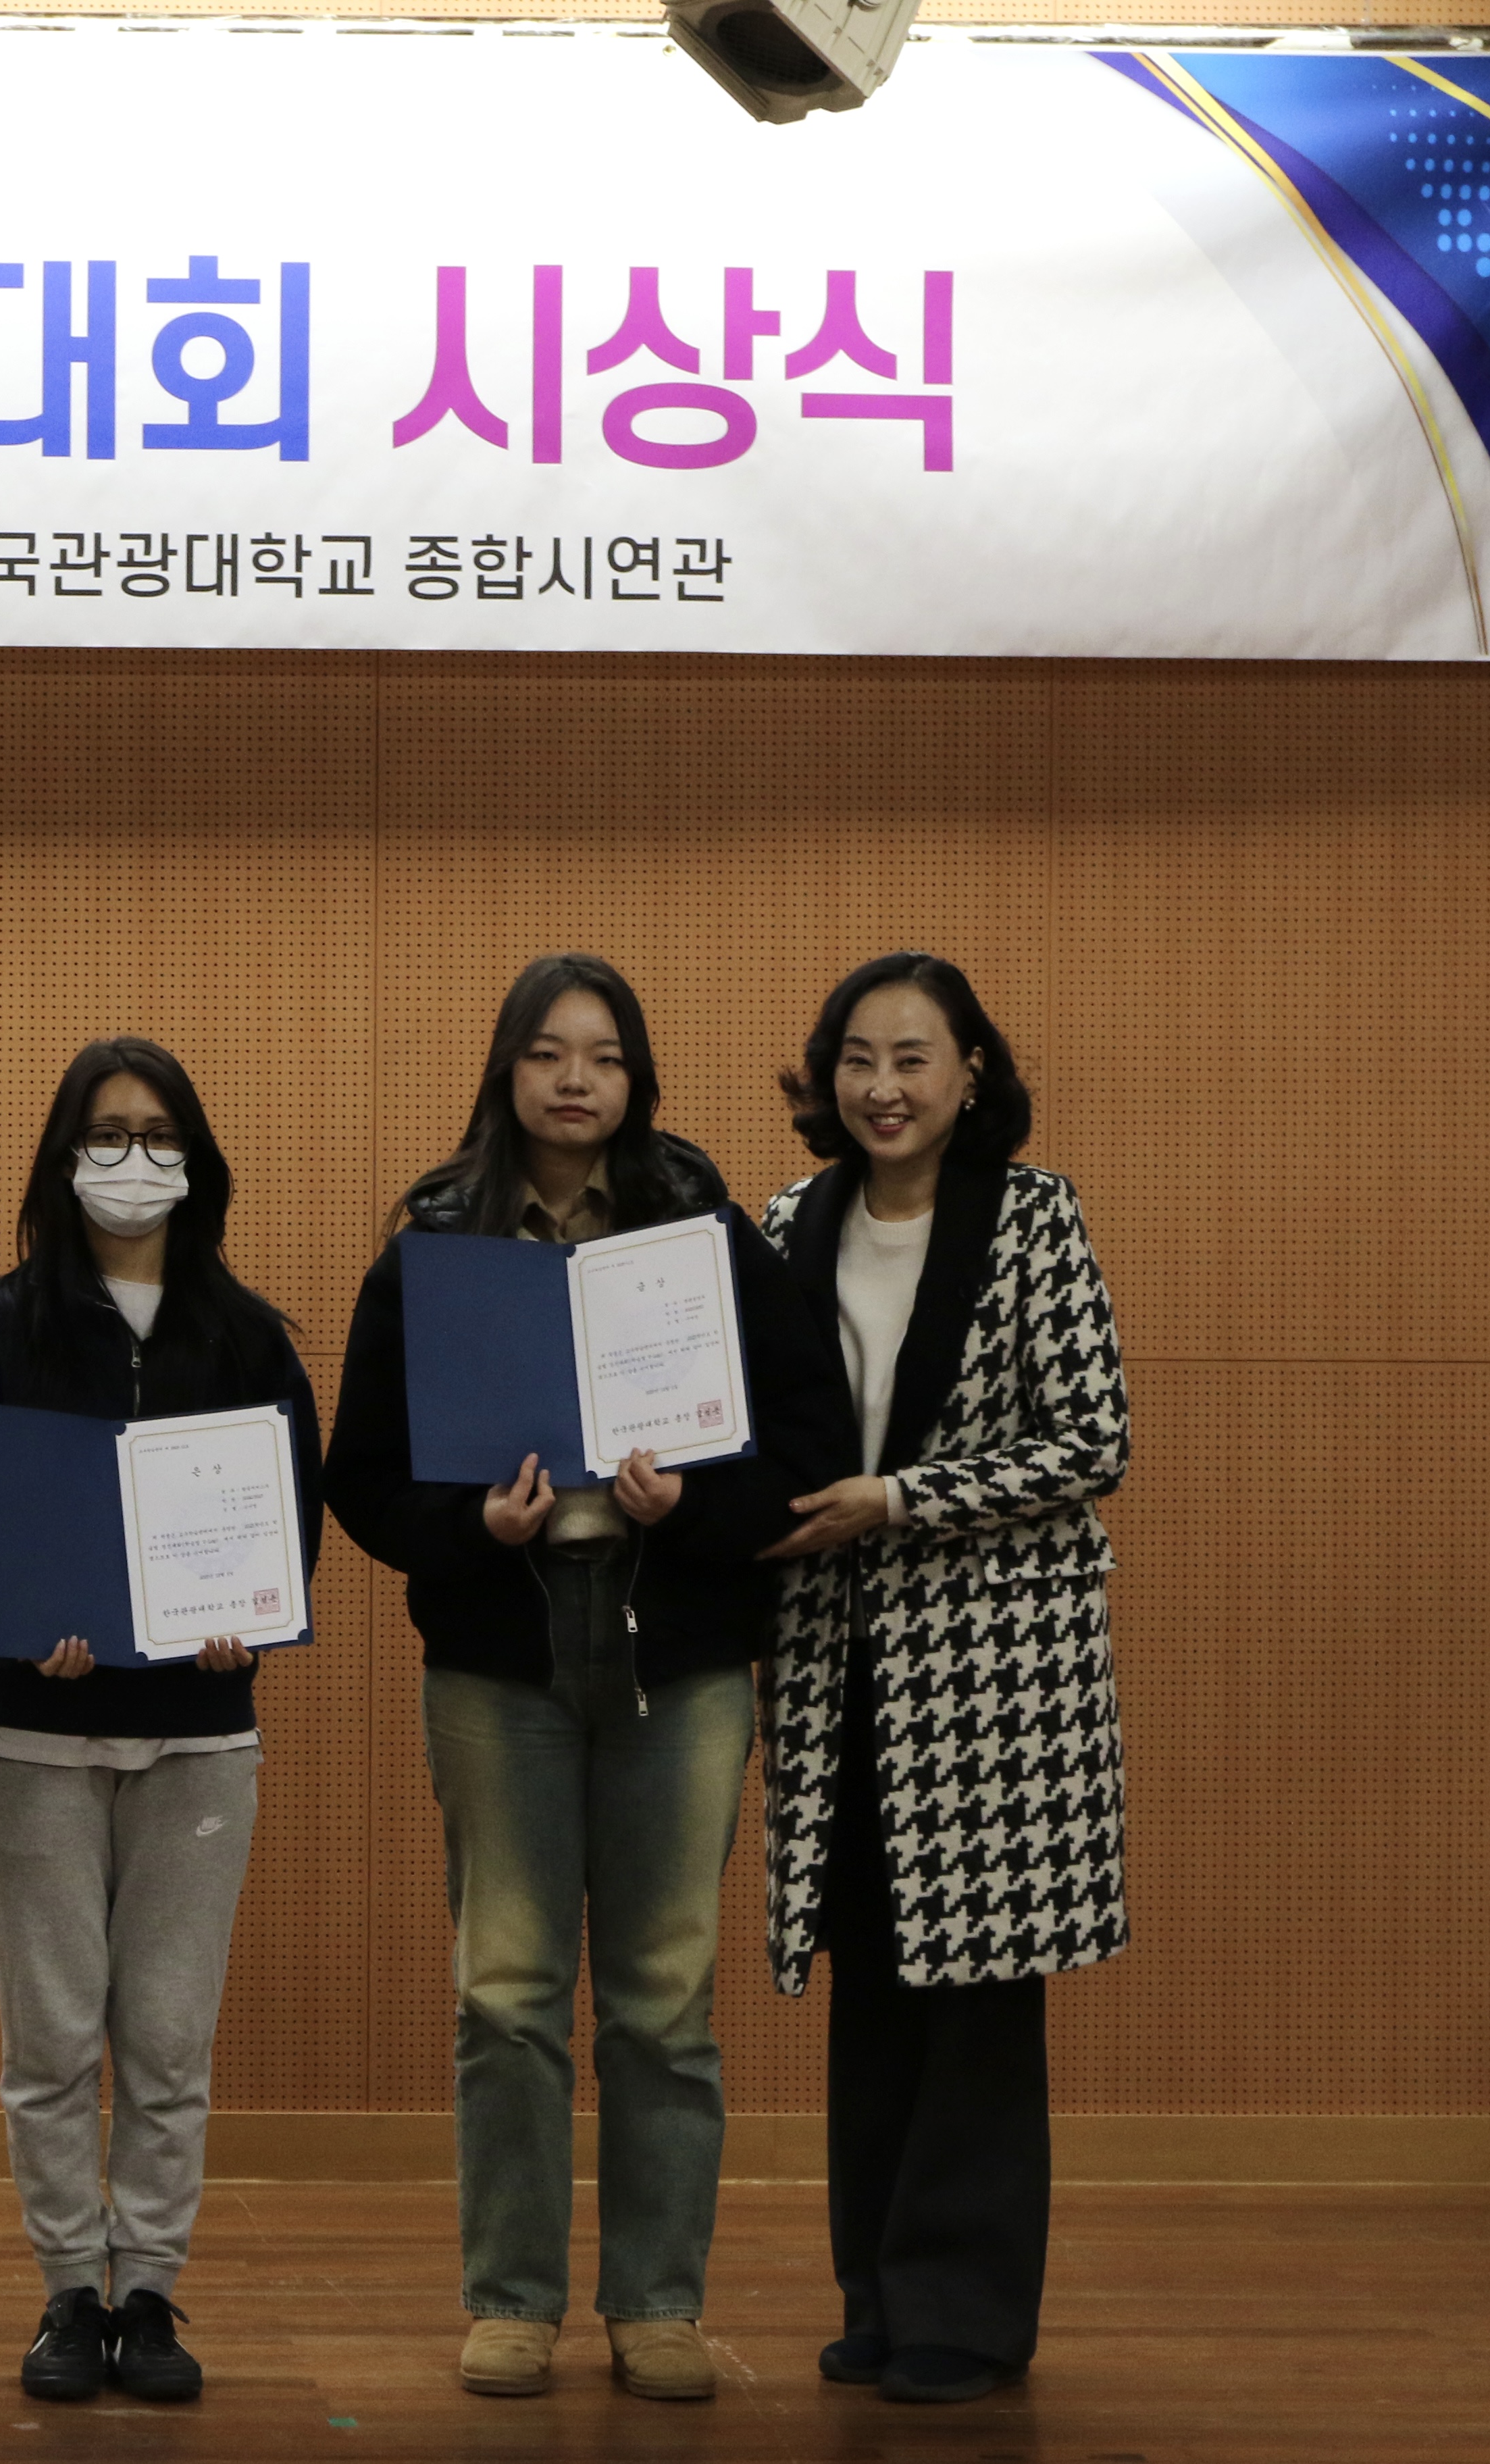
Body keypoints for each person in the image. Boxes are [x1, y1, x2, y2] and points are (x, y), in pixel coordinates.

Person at [322, 954, 846, 2404]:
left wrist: (701, 1507)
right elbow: (361, 1476)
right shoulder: (437, 1243)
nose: (574, 1081)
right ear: (507, 1070)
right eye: (548, 1053)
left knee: (664, 1999)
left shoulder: (705, 1235)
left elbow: (808, 1445)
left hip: (680, 1652)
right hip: (504, 1653)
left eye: (604, 1057)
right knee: (507, 1993)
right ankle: (513, 2301)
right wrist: (469, 1529)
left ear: (637, 1081)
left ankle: (658, 2302)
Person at [0, 1038, 322, 2407]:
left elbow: (289, 1521)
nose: (132, 1161)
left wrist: (249, 1617)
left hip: (199, 1735)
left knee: (166, 2038)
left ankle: (147, 2289)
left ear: (196, 1163)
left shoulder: (251, 1339)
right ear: (61, 1158)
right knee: (49, 2040)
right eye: (106, 1134)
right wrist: (18, 1622)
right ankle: (65, 2294)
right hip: (35, 1731)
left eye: (159, 1135)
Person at [754, 953, 1129, 2408]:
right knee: (873, 1983)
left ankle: (963, 2315)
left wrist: (901, 1498)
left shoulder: (1034, 1218)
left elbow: (1093, 1437)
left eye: (914, 1057)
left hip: (993, 1678)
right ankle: (878, 2296)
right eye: (858, 1057)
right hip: (835, 1667)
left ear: (973, 1073)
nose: (883, 1087)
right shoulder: (787, 1221)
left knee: (974, 1995)